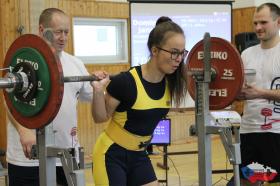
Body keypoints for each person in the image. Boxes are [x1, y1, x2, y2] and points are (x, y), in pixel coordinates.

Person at [91, 16, 187, 186]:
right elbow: (100, 117)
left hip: (138, 155)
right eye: (174, 52)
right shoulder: (125, 82)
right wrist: (98, 92)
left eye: (181, 53)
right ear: (155, 50)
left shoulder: (171, 83)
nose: (178, 59)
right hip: (111, 154)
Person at [6, 8, 93, 186]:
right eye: (57, 32)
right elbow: (8, 99)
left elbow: (93, 95)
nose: (63, 38)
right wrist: (24, 131)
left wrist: (100, 85)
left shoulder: (76, 64)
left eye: (66, 32)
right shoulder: (23, 59)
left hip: (67, 154)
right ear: (41, 30)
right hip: (27, 157)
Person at [237, 3, 280, 186]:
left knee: (274, 182)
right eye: (255, 23)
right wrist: (236, 94)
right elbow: (241, 90)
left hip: (276, 132)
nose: (258, 28)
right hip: (249, 131)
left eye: (263, 22)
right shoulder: (246, 54)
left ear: (278, 22)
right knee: (250, 181)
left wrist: (259, 93)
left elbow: (256, 92)